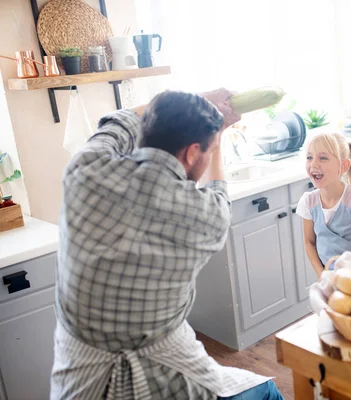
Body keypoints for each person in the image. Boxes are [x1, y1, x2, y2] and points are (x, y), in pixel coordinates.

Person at [51, 89, 284, 399]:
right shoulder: (206, 216)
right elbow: (218, 191)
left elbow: (121, 121)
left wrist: (195, 98)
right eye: (208, 149)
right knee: (266, 391)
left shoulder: (84, 170)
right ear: (191, 153)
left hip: (78, 379)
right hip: (164, 375)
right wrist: (218, 135)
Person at [295, 132, 351, 278]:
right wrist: (322, 275)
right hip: (332, 279)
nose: (314, 164)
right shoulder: (308, 202)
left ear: (343, 166)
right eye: (309, 157)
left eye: (323, 158)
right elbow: (309, 242)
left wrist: (350, 275)